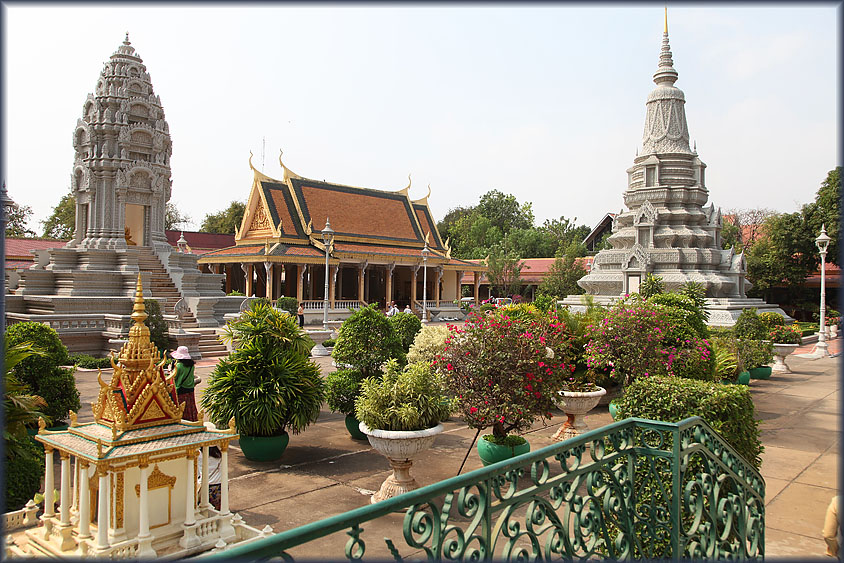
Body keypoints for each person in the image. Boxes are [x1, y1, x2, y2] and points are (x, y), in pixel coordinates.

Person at [171, 346, 198, 421]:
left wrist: (171, 369)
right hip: (190, 388)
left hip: (181, 389)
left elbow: (174, 377)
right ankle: (193, 419)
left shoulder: (178, 366)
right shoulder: (191, 366)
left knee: (182, 407)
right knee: (190, 405)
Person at [197, 446, 223, 511]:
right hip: (218, 484)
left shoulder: (199, 454)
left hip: (205, 485)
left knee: (204, 510)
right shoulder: (219, 453)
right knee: (218, 510)